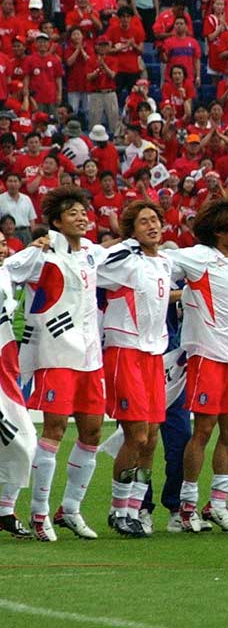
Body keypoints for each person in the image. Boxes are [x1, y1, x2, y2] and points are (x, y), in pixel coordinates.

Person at [5, 185, 109, 541]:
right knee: (54, 432)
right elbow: (9, 269)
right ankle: (39, 513)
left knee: (92, 432)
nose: (81, 217)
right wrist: (35, 246)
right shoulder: (43, 253)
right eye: (72, 212)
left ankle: (72, 509)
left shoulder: (94, 254)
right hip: (55, 354)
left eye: (83, 211)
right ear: (56, 221)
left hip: (91, 358)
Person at [165, 201, 228, 534]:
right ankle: (187, 505)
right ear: (219, 231)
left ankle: (217, 504)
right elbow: (161, 260)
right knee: (203, 430)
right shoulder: (198, 257)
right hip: (206, 355)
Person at [97, 201, 173, 538]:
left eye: (154, 220)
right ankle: (118, 509)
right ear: (132, 230)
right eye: (143, 222)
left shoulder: (164, 261)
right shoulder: (126, 258)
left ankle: (135, 509)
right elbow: (92, 267)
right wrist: (120, 242)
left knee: (152, 436)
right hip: (126, 351)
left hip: (154, 353)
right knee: (136, 434)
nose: (151, 226)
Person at [0, 235, 34, 538]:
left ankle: (5, 510)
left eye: (2, 242)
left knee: (26, 439)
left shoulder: (8, 273)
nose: (1, 248)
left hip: (8, 372)